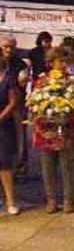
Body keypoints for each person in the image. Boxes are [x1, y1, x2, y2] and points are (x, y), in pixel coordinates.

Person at [31, 48, 74, 214]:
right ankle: (51, 199)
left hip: (67, 129)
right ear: (51, 62)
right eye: (59, 61)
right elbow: (34, 102)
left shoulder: (73, 81)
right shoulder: (42, 81)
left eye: (65, 61)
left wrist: (71, 115)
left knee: (67, 166)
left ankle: (68, 199)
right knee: (47, 166)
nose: (63, 64)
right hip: (46, 129)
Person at [0, 37, 29, 180]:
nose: (8, 49)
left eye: (11, 47)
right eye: (5, 46)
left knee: (19, 138)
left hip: (16, 105)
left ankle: (20, 169)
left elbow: (22, 83)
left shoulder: (20, 64)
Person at [0, 54, 21, 215]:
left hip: (4, 125)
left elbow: (13, 102)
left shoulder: (8, 79)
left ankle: (10, 201)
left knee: (4, 163)